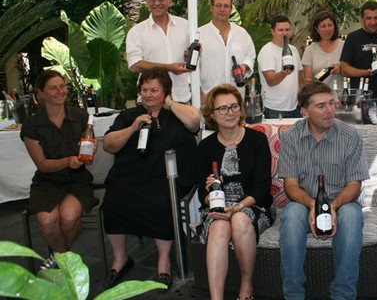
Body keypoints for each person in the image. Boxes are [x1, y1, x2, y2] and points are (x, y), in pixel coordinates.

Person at [101, 68, 200, 289]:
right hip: (129, 175)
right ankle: (120, 259)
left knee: (160, 201)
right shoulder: (128, 116)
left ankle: (163, 260)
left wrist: (170, 104)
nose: (148, 94)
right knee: (113, 200)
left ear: (165, 91)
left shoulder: (177, 114)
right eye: (144, 89)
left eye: (154, 90)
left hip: (167, 177)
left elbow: (195, 122)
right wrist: (133, 127)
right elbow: (108, 145)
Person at [277, 81, 370, 299]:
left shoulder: (350, 136)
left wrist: (332, 207)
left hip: (342, 201)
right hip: (303, 202)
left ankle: (342, 295)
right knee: (291, 216)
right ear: (304, 111)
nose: (329, 110)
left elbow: (354, 185)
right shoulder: (291, 137)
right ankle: (293, 295)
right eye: (320, 106)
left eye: (331, 103)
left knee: (351, 216)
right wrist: (312, 205)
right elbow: (290, 186)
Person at [195, 84, 275, 300]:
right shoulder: (205, 147)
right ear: (212, 114)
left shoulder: (257, 141)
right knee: (220, 227)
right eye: (222, 109)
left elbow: (262, 187)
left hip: (252, 204)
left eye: (233, 106)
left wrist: (238, 207)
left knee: (239, 220)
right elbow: (200, 192)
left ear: (240, 109)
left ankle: (246, 286)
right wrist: (210, 194)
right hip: (218, 208)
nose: (229, 113)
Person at [20, 70, 98, 270]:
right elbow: (42, 164)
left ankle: (57, 258)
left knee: (69, 218)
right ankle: (64, 258)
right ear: (41, 93)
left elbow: (86, 156)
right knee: (47, 222)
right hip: (47, 181)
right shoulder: (31, 126)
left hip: (77, 179)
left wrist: (89, 150)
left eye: (62, 86)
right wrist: (67, 161)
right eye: (53, 88)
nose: (60, 91)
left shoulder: (80, 117)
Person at [126, 0, 192, 103]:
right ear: (147, 2)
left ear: (170, 1)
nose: (157, 3)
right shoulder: (136, 31)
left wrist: (192, 54)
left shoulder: (186, 26)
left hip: (181, 96)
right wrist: (168, 68)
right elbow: (135, 65)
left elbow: (193, 56)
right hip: (150, 100)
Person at [340, 1, 377, 118]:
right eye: (369, 18)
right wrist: (365, 73)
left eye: (376, 18)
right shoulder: (353, 37)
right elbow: (344, 68)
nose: (373, 22)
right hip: (358, 99)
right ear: (362, 19)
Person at [199, 0, 256, 101]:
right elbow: (192, 68)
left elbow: (250, 56)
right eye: (218, 5)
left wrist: (244, 66)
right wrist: (200, 96)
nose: (222, 9)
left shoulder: (241, 33)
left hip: (236, 97)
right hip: (209, 97)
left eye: (226, 6)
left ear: (230, 9)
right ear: (211, 8)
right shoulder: (200, 34)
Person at [258, 15, 303, 119]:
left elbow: (300, 76)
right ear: (272, 31)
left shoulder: (294, 50)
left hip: (295, 107)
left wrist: (303, 101)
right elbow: (270, 81)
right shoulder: (267, 51)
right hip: (275, 109)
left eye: (287, 30)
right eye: (281, 30)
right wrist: (283, 73)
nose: (285, 33)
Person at [302, 10, 344, 86]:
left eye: (330, 25)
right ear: (317, 29)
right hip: (318, 95)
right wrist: (308, 81)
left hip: (340, 95)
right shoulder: (310, 50)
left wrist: (341, 70)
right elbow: (308, 77)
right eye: (323, 26)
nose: (327, 29)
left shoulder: (344, 46)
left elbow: (351, 70)